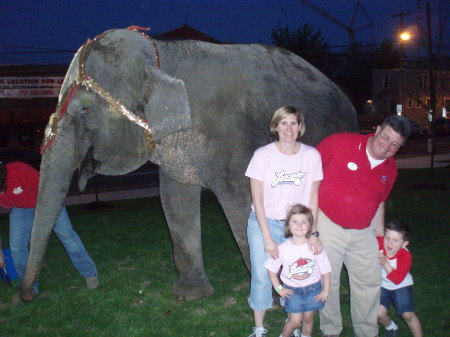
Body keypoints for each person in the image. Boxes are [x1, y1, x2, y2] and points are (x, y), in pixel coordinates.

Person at [315, 114, 411, 337]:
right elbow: (308, 168)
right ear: (377, 130)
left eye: (395, 144)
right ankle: (330, 330)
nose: (387, 147)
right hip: (328, 224)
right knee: (328, 280)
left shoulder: (390, 169)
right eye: (385, 138)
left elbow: (379, 202)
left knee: (369, 283)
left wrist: (380, 235)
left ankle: (367, 332)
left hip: (364, 231)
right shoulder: (339, 143)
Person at [245, 106, 323, 337]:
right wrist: (267, 236)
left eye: (293, 123)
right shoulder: (263, 155)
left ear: (300, 127)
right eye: (283, 123)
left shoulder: (311, 156)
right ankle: (259, 328)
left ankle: (295, 323)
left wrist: (313, 233)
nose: (288, 128)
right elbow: (257, 200)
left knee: (296, 274)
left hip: (296, 226)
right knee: (261, 274)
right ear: (275, 126)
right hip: (264, 222)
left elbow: (313, 198)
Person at [0, 160, 98, 294]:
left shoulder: (17, 170)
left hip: (47, 200)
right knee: (17, 247)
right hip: (21, 209)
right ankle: (29, 287)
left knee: (67, 236)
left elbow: (47, 186)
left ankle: (90, 274)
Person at [264, 204, 331, 337]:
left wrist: (326, 290)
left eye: (303, 222)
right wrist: (278, 289)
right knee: (294, 321)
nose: (299, 225)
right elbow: (271, 270)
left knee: (307, 318)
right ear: (288, 224)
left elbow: (325, 271)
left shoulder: (315, 247)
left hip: (313, 289)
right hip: (292, 291)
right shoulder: (283, 248)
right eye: (295, 221)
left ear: (309, 225)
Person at [377, 220, 422, 337]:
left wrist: (386, 263)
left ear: (404, 244)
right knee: (378, 313)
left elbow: (396, 279)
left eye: (395, 240)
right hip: (382, 285)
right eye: (388, 238)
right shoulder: (379, 243)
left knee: (407, 314)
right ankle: (391, 327)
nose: (389, 243)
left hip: (401, 284)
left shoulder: (405, 256)